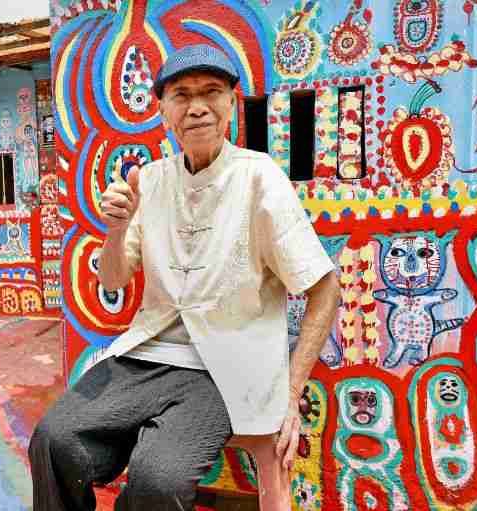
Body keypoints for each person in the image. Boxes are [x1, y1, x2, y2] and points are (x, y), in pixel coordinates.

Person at [29, 44, 340, 511]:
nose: (197, 106)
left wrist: (291, 393)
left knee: (160, 480)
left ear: (232, 103)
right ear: (163, 111)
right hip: (146, 353)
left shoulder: (260, 177)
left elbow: (324, 288)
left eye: (211, 92)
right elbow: (112, 280)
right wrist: (115, 230)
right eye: (181, 95)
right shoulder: (148, 181)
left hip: (226, 367)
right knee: (53, 439)